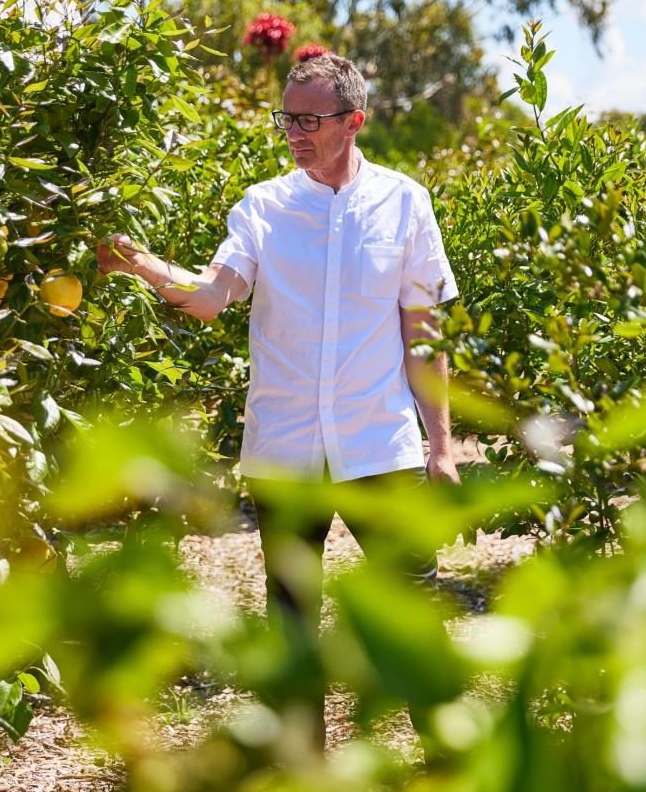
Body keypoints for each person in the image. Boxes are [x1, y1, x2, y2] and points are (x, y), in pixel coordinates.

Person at [97, 53, 459, 751]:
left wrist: (440, 444)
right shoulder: (263, 206)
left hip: (378, 443)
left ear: (354, 121)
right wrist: (142, 264)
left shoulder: (405, 202)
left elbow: (424, 326)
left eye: (308, 118)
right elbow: (211, 296)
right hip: (286, 447)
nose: (293, 130)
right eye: (286, 116)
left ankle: (452, 767)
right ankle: (305, 783)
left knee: (411, 610)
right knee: (292, 619)